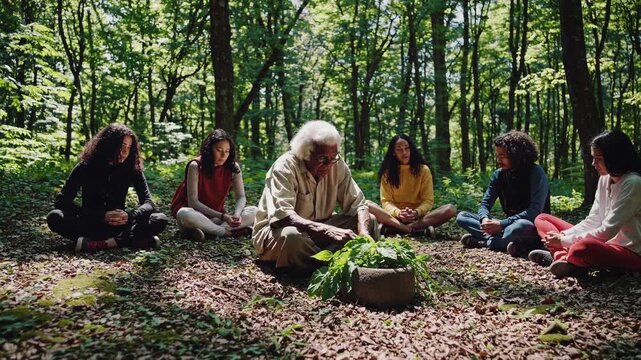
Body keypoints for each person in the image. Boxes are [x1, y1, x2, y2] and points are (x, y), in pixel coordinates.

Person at [252, 120, 379, 269]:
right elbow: (283, 217)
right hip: (279, 232)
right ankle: (329, 263)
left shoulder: (336, 164)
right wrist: (327, 230)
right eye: (323, 159)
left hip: (319, 229)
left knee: (369, 220)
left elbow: (358, 204)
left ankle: (318, 261)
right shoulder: (284, 167)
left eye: (334, 157)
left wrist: (363, 231)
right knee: (291, 238)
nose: (329, 164)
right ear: (305, 153)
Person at [532, 130, 641, 278]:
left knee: (583, 248)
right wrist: (562, 236)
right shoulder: (605, 178)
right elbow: (594, 220)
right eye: (593, 157)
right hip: (603, 242)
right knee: (543, 219)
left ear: (615, 157)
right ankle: (567, 260)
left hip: (627, 251)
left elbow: (608, 230)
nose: (593, 163)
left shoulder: (633, 182)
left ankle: (565, 257)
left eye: (598, 158)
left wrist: (563, 241)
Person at [47, 123, 168, 253]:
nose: (125, 152)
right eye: (122, 147)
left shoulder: (131, 167)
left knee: (160, 219)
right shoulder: (85, 166)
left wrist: (130, 215)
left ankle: (100, 244)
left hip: (121, 225)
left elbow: (148, 202)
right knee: (55, 217)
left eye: (129, 147)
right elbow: (62, 202)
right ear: (109, 145)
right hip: (90, 224)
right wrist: (101, 216)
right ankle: (128, 241)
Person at [456, 130, 550, 256]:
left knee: (520, 226)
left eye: (503, 155)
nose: (498, 159)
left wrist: (501, 224)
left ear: (516, 154)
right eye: (497, 155)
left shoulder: (536, 173)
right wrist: (484, 220)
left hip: (529, 226)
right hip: (505, 227)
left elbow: (534, 211)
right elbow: (485, 204)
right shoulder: (498, 175)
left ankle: (488, 242)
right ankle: (506, 243)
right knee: (462, 217)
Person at [171, 129, 257, 241]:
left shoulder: (233, 167)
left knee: (255, 211)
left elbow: (241, 197)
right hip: (196, 215)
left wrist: (236, 214)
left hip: (216, 218)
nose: (223, 155)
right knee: (184, 214)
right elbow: (193, 202)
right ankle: (224, 232)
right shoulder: (195, 166)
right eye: (219, 150)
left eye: (227, 151)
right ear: (209, 149)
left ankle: (209, 231)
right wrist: (223, 216)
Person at [366, 134, 456, 237]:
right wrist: (399, 213)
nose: (404, 152)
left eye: (407, 148)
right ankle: (411, 230)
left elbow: (428, 200)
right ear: (393, 153)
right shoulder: (387, 173)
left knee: (450, 209)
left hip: (418, 218)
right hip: (394, 217)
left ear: (411, 149)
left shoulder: (423, 170)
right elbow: (386, 201)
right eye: (399, 150)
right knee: (366, 205)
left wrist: (416, 213)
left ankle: (396, 229)